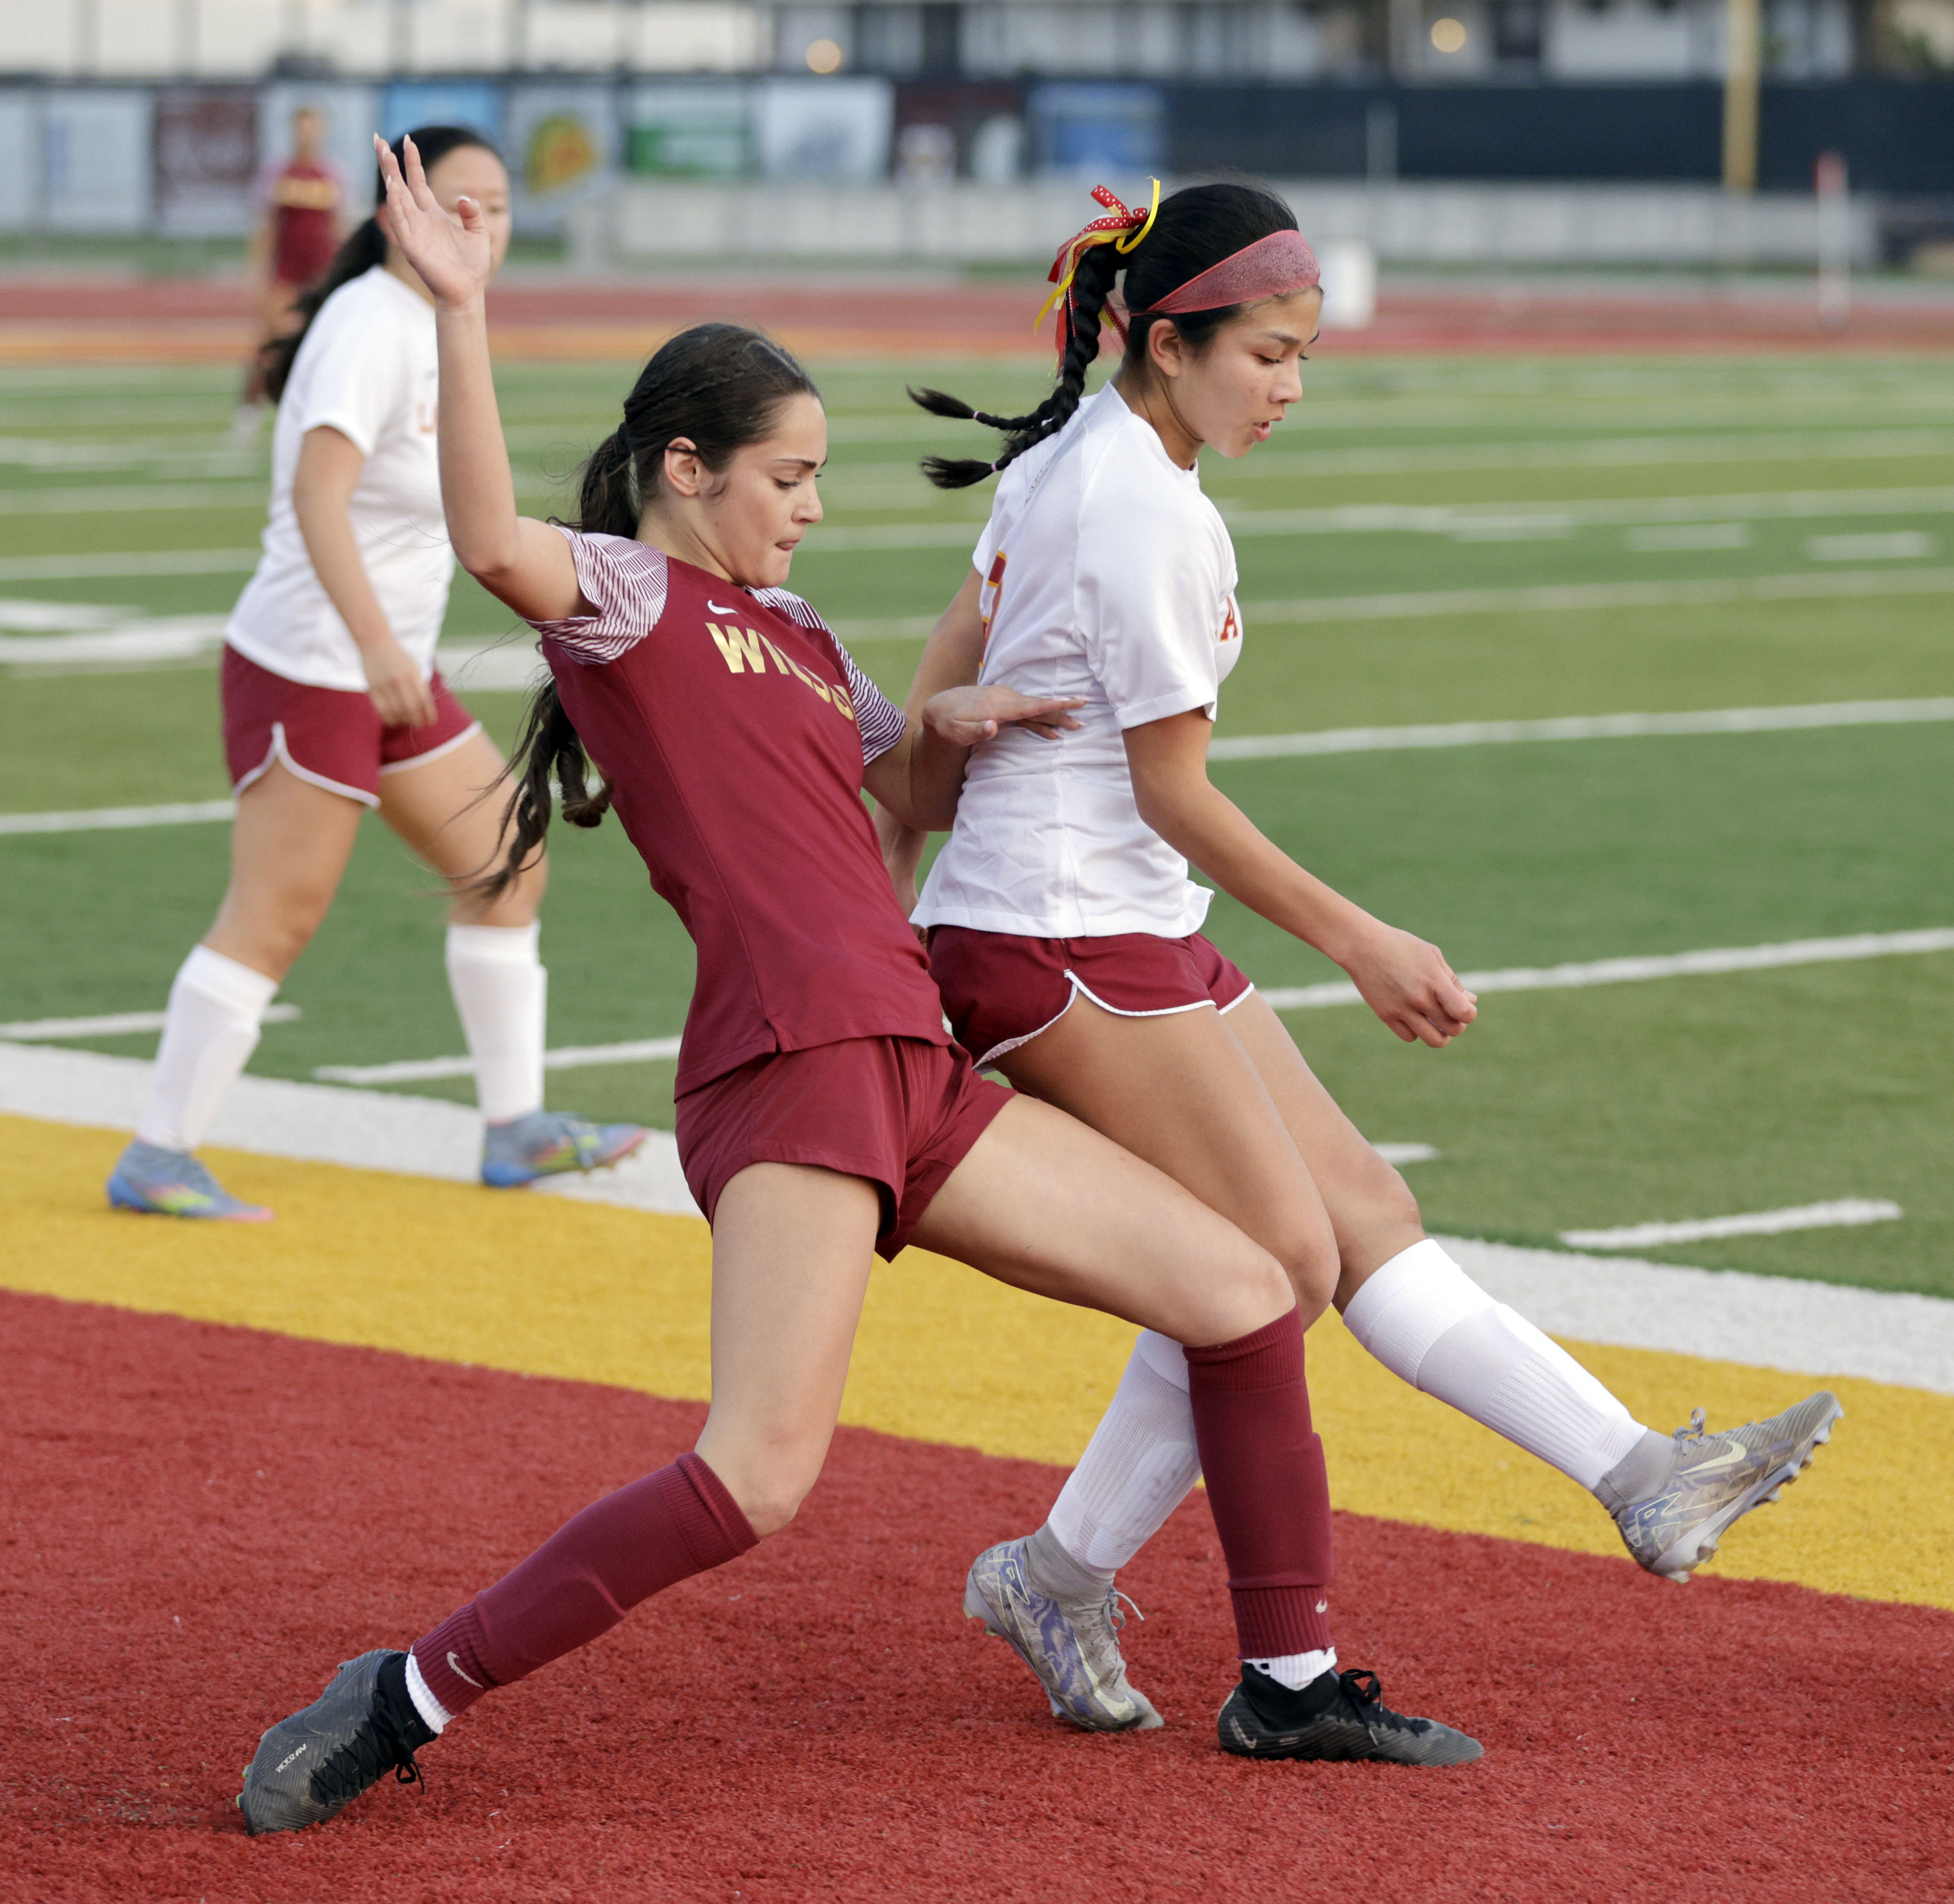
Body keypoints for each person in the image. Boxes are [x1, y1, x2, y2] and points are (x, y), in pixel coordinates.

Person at [232, 138, 1485, 1839]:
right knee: (755, 1477)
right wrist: (462, 310)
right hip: (793, 1066)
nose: (813, 508)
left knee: (1252, 1290)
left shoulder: (810, 636)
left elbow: (899, 799)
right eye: (788, 476)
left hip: (914, 1061)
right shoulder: (625, 597)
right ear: (685, 471)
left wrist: (953, 719)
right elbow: (477, 533)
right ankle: (404, 1694)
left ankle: (1288, 1681)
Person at [887, 182, 1842, 1733]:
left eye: (1303, 357)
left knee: (1362, 1217)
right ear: (1164, 339)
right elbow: (1169, 790)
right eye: (1266, 355)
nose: (1290, 387)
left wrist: (913, 842)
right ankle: (1231, 1652)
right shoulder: (1141, 506)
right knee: (1276, 1268)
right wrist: (1361, 941)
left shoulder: (1086, 462)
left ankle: (1640, 1475)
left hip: (1109, 924)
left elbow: (953, 655)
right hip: (1058, 936)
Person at [108, 126, 644, 1224]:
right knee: (275, 915)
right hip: (315, 664)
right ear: (399, 211)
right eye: (455, 201)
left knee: (504, 865)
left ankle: (515, 1126)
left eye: (498, 205)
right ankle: (158, 1151)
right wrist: (375, 646)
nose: (480, 223)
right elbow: (317, 497)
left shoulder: (434, 320)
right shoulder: (369, 323)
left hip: (385, 668)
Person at [234, 106, 346, 444]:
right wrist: (256, 271)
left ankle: (319, 409)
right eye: (302, 127)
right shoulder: (277, 173)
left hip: (321, 273)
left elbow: (340, 226)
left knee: (325, 342)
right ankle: (249, 408)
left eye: (314, 127)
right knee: (269, 341)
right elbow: (265, 226)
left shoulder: (333, 173)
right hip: (285, 273)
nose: (307, 134)